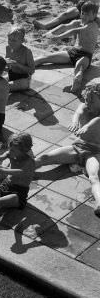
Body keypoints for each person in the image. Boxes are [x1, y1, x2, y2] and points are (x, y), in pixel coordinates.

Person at [34, 82, 100, 218]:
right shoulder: (85, 106)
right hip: (78, 147)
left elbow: (97, 120)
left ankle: (99, 204)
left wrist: (87, 126)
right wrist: (75, 121)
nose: (88, 102)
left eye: (92, 100)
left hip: (95, 152)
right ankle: (20, 170)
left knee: (94, 177)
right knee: (45, 157)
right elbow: (77, 112)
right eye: (87, 98)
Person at [33, 1, 99, 94]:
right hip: (73, 52)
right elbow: (65, 26)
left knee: (79, 67)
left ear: (94, 15)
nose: (84, 16)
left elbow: (74, 31)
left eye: (87, 14)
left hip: (85, 55)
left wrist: (58, 37)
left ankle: (75, 85)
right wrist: (51, 33)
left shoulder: (92, 26)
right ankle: (25, 65)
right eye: (82, 13)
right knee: (44, 59)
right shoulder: (79, 22)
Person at [5, 26, 35, 92]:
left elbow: (32, 71)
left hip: (24, 80)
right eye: (9, 39)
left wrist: (17, 64)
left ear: (22, 41)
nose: (11, 42)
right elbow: (7, 67)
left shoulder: (27, 52)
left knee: (2, 87)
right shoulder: (8, 48)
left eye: (14, 40)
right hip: (11, 75)